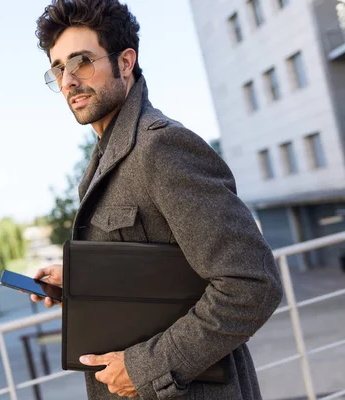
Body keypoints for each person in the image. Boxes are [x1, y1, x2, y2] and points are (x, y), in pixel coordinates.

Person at [30, 1, 283, 399]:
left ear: (125, 62)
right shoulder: (103, 160)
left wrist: (145, 368)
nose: (68, 81)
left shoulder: (162, 147)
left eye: (81, 61)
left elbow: (252, 284)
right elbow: (166, 267)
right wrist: (81, 281)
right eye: (58, 68)